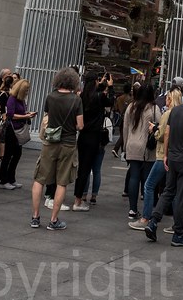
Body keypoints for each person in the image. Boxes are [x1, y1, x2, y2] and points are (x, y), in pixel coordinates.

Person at [145, 83, 183, 246]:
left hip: (172, 156)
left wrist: (165, 155)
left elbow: (167, 133)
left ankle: (153, 221)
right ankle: (178, 232)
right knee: (182, 196)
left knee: (168, 191)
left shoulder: (175, 111)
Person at [30, 67, 83, 230]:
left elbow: (47, 116)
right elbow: (80, 125)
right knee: (62, 182)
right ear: (74, 82)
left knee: (39, 179)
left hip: (50, 141)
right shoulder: (76, 100)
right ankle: (53, 220)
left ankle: (35, 217)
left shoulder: (50, 96)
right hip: (68, 143)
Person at [129, 87, 183, 231]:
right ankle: (177, 223)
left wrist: (154, 129)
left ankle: (146, 217)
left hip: (162, 154)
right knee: (173, 189)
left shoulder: (167, 114)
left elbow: (162, 135)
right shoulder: (181, 114)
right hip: (176, 154)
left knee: (149, 185)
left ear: (170, 99)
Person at [73, 71, 114, 210]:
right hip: (94, 136)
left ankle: (78, 197)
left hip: (82, 135)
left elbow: (95, 94)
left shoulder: (82, 96)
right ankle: (78, 201)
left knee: (82, 168)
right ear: (95, 81)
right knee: (87, 169)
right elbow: (110, 102)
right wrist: (110, 87)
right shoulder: (99, 96)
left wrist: (101, 84)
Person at [123, 83, 159, 220]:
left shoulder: (131, 107)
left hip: (132, 144)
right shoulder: (154, 109)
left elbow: (125, 128)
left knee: (134, 177)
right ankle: (146, 211)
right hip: (147, 147)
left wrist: (125, 146)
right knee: (148, 179)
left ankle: (132, 209)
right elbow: (160, 126)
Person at [0, 78, 35, 189]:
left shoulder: (21, 100)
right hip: (12, 130)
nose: (27, 92)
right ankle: (4, 180)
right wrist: (26, 116)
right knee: (8, 155)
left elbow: (19, 112)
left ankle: (11, 178)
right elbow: (11, 115)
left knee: (16, 155)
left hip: (18, 128)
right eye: (26, 90)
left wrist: (27, 114)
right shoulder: (12, 99)